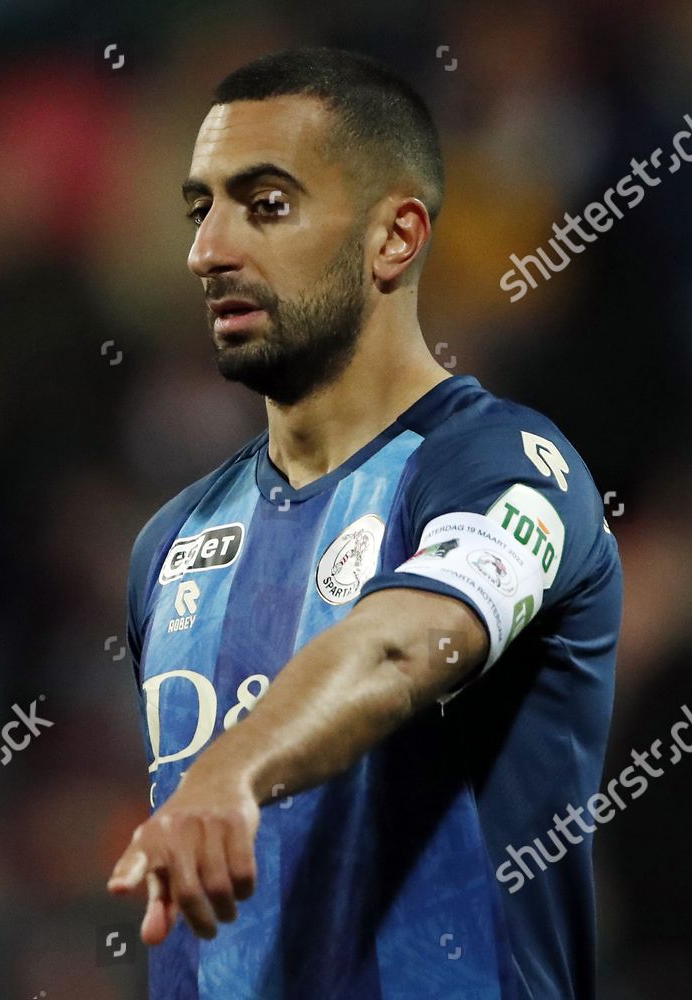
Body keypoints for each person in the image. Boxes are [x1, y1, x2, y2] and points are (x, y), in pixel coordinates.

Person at [109, 46, 622, 1000]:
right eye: (200, 208)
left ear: (395, 238)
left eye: (265, 205)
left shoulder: (505, 471)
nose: (208, 250)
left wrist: (233, 767)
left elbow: (396, 651)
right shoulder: (169, 548)